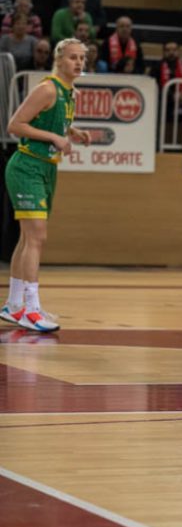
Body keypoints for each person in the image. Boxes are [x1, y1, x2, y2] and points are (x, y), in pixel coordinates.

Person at [1, 39, 91, 332]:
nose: (78, 63)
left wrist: (72, 132)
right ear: (58, 59)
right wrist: (53, 138)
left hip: (46, 169)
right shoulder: (48, 88)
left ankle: (14, 305)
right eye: (72, 57)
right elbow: (15, 125)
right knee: (37, 238)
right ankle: (31, 308)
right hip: (27, 165)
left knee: (28, 239)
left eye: (82, 58)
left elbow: (52, 123)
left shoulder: (69, 92)